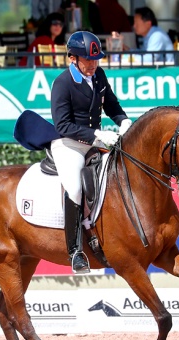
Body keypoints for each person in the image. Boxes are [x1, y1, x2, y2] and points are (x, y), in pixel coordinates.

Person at [50, 31, 132, 274]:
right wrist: (97, 136)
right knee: (75, 188)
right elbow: (62, 125)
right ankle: (75, 251)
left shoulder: (98, 76)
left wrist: (124, 121)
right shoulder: (62, 83)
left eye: (96, 60)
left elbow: (112, 105)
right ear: (73, 58)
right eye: (88, 60)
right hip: (69, 144)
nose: (93, 65)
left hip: (96, 141)